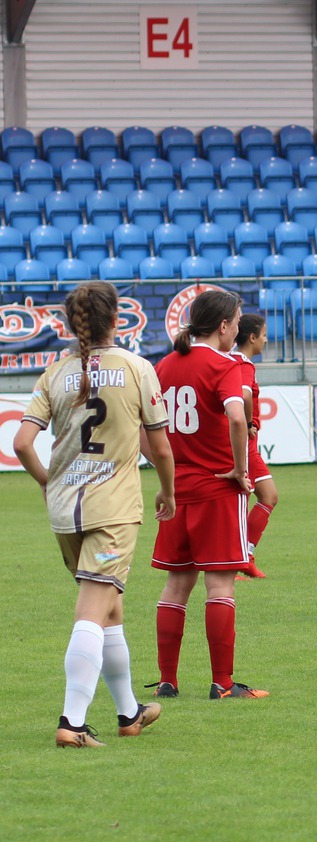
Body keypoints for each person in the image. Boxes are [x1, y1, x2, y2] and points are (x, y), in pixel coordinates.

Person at [13, 281, 174, 747]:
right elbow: (161, 448)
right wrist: (168, 491)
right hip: (113, 509)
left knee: (109, 608)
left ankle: (129, 713)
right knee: (91, 610)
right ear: (117, 321)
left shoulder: (55, 373)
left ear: (71, 323)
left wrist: (47, 482)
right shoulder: (137, 367)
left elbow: (22, 443)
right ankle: (73, 723)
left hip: (65, 510)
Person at [150, 289, 268, 699]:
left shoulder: (164, 365)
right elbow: (237, 417)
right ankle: (223, 683)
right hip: (217, 489)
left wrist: (165, 473)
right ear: (223, 326)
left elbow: (146, 429)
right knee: (219, 586)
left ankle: (167, 680)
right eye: (236, 321)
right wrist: (239, 468)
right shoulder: (224, 364)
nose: (238, 328)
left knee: (176, 586)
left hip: (177, 490)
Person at [230, 313, 273, 579]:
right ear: (253, 337)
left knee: (264, 496)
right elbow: (244, 394)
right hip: (243, 443)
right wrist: (247, 422)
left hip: (247, 444)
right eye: (264, 335)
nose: (266, 340)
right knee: (250, 499)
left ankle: (244, 556)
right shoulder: (243, 364)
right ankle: (236, 559)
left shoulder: (232, 360)